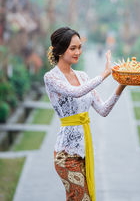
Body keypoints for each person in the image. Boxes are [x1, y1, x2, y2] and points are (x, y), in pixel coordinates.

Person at [44, 26, 126, 201]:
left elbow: (103, 110)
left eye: (79, 47)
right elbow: (76, 92)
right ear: (59, 50)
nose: (78, 52)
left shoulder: (83, 77)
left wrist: (122, 84)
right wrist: (104, 74)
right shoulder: (51, 78)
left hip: (84, 153)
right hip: (66, 156)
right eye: (72, 48)